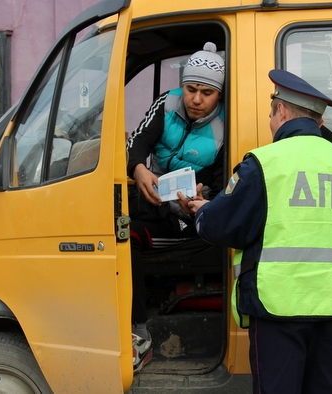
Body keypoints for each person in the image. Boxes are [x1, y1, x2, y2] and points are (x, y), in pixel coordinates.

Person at [179, 69, 332, 393]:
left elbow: (227, 225)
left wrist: (201, 212)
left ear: (281, 111)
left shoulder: (264, 163)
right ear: (319, 123)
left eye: (272, 115)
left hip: (280, 304)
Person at [126, 42, 226, 373]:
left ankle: (139, 334)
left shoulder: (226, 127)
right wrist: (139, 168)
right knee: (109, 224)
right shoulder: (167, 102)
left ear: (219, 94)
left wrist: (196, 204)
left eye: (207, 92)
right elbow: (136, 142)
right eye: (191, 88)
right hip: (150, 199)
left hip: (187, 219)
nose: (196, 99)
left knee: (126, 240)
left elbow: (225, 189)